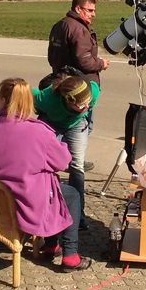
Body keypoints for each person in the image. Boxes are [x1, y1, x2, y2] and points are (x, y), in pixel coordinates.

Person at [0, 78, 91, 272]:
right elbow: (62, 162)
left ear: (2, 99)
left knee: (51, 185)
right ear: (28, 102)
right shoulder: (38, 132)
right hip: (25, 203)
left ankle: (51, 245)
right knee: (69, 194)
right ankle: (70, 255)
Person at [47, 0, 110, 161]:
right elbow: (85, 62)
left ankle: (60, 157)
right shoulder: (79, 30)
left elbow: (51, 57)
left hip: (61, 83)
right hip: (80, 88)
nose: (93, 14)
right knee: (84, 126)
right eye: (89, 10)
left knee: (61, 124)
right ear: (78, 9)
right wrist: (101, 64)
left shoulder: (59, 25)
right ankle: (70, 160)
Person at [32, 75, 99, 231]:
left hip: (76, 125)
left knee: (77, 165)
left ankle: (78, 215)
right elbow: (24, 91)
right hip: (52, 123)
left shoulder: (92, 92)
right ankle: (48, 211)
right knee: (48, 166)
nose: (87, 106)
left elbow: (92, 94)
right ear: (68, 101)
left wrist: (86, 117)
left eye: (88, 101)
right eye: (81, 105)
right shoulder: (47, 99)